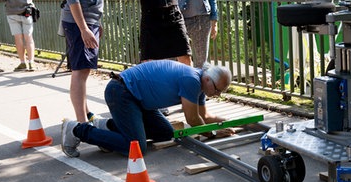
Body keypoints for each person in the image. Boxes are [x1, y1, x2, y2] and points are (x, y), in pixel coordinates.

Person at [61, 61, 234, 157]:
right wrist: (213, 134)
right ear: (209, 80)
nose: (218, 95)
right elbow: (193, 120)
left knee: (166, 132)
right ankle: (77, 129)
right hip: (122, 92)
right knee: (135, 148)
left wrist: (224, 123)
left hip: (139, 100)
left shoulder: (200, 83)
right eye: (218, 90)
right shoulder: (192, 81)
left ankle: (105, 126)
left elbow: (205, 115)